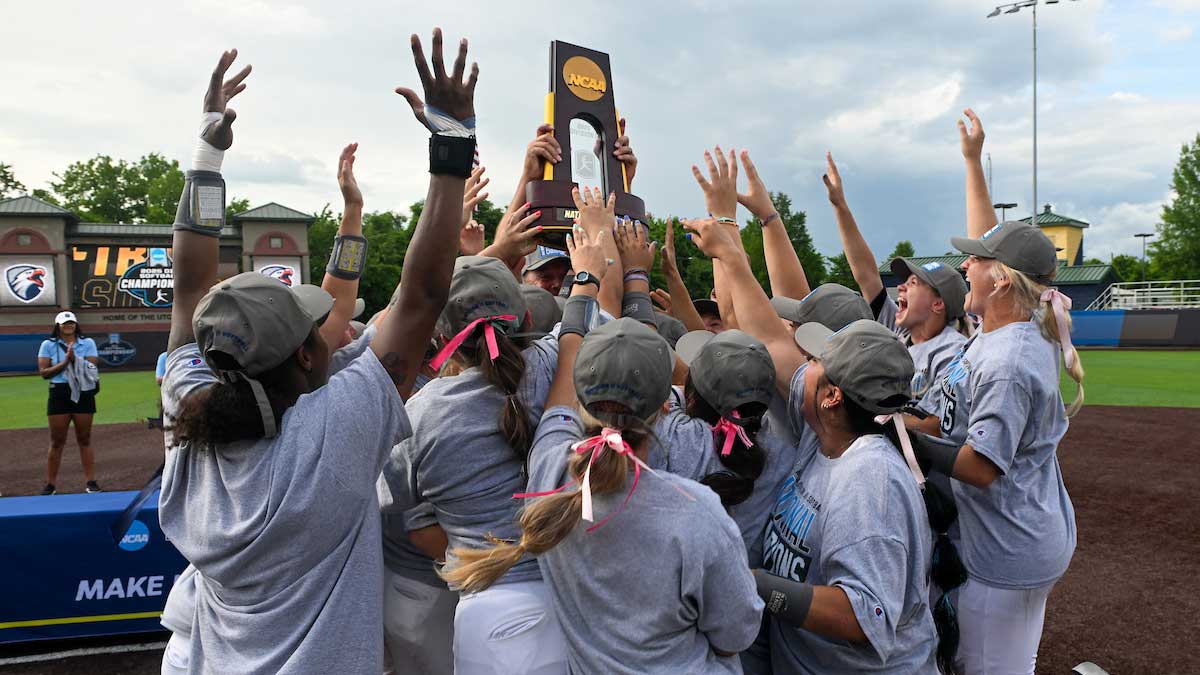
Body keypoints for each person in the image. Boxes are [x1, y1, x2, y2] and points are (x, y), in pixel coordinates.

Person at [157, 30, 478, 674]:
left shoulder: (189, 405)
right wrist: (452, 148)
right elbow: (422, 297)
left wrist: (207, 153)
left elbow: (189, 281)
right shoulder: (336, 429)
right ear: (306, 357)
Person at [443, 214, 763, 674]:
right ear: (665, 408)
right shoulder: (696, 511)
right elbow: (737, 633)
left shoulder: (549, 470)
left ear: (579, 395)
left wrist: (595, 275)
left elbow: (559, 391)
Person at [685, 215, 939, 673]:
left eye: (818, 363)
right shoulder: (822, 434)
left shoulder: (870, 481)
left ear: (832, 397)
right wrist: (729, 254)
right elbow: (767, 336)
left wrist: (755, 585)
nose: (801, 363)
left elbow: (864, 615)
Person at [378, 252, 567, 675]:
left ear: (440, 333)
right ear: (520, 314)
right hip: (575, 592)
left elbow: (388, 497)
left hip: (487, 607)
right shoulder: (557, 362)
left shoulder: (419, 414)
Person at [820, 151, 970, 399]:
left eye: (913, 283)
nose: (901, 287)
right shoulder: (900, 335)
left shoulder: (952, 351)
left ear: (938, 303)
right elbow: (866, 274)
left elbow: (939, 425)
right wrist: (840, 207)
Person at [36, 310, 101, 495]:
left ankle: (91, 481)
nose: (68, 326)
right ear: (58, 326)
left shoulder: (87, 343)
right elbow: (44, 372)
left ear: (76, 324)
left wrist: (75, 359)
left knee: (85, 438)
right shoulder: (48, 345)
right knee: (57, 441)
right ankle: (50, 484)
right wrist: (65, 363)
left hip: (83, 391)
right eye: (65, 324)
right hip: (60, 392)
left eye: (71, 323)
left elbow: (92, 367)